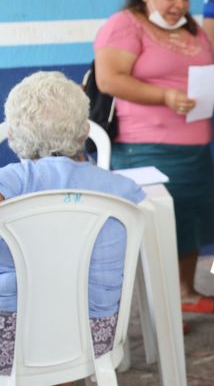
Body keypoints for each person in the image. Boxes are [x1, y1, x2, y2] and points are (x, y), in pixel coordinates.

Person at [94, 0, 214, 315]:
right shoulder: (124, 25)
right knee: (157, 228)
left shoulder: (191, 29)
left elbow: (206, 70)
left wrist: (212, 88)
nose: (179, 4)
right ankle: (159, 309)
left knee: (188, 221)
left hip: (195, 146)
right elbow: (110, 79)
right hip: (143, 147)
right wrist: (165, 97)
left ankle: (184, 294)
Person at [0, 71, 145, 377]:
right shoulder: (119, 189)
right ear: (83, 131)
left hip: (13, 338)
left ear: (12, 136)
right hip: (94, 337)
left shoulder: (12, 181)